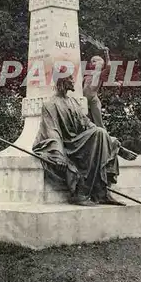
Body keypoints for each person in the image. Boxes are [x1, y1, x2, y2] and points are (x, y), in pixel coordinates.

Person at [33, 74, 125, 206]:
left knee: (101, 133)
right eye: (70, 79)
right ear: (63, 81)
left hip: (78, 140)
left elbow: (86, 123)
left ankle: (102, 192)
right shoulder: (50, 104)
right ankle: (81, 193)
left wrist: (111, 140)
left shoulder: (73, 102)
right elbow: (52, 132)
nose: (73, 81)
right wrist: (59, 155)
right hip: (68, 144)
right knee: (98, 135)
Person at [83, 47, 123, 127]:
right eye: (93, 61)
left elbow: (109, 68)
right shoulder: (88, 74)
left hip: (93, 98)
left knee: (98, 121)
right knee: (84, 118)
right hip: (84, 98)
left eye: (97, 62)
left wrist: (106, 54)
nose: (95, 63)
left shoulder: (101, 74)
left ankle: (103, 134)